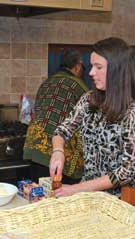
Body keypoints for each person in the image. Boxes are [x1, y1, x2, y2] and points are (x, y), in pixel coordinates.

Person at [49, 37, 135, 198]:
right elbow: (62, 131)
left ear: (116, 70)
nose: (91, 72)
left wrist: (78, 188)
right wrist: (58, 151)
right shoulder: (88, 99)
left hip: (122, 200)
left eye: (98, 67)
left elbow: (126, 172)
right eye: (91, 66)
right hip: (90, 196)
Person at [23, 48, 88, 184]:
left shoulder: (47, 82)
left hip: (34, 145)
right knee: (59, 197)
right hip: (57, 152)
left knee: (39, 194)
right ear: (77, 66)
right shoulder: (80, 86)